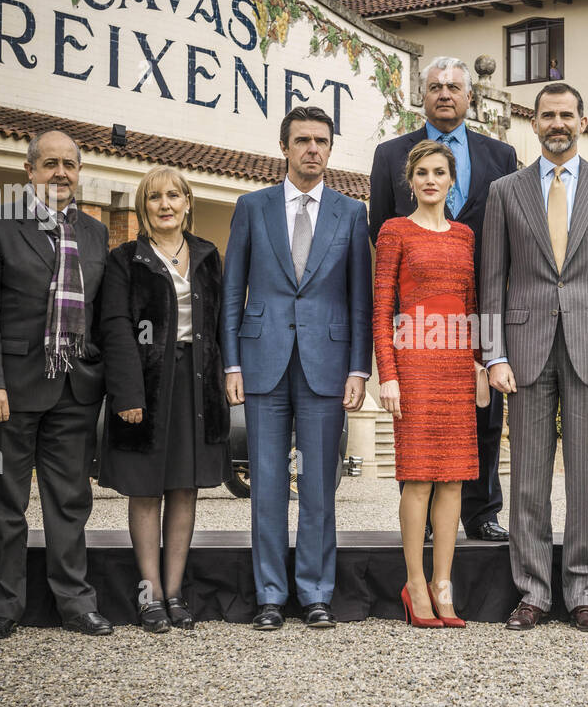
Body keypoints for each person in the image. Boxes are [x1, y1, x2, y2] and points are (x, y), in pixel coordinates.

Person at [480, 82, 588, 633]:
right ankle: (531, 592)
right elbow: (491, 284)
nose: (557, 124)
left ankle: (586, 594)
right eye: (547, 115)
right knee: (526, 478)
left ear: (582, 122)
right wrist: (492, 355)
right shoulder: (506, 191)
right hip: (523, 353)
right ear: (535, 123)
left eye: (567, 115)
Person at [223, 106, 372, 631]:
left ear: (331, 148)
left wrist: (359, 368)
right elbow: (231, 292)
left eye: (322, 140)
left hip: (327, 368)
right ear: (284, 147)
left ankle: (314, 594)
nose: (313, 148)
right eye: (302, 140)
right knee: (265, 484)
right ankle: (268, 594)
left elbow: (361, 300)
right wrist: (232, 363)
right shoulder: (252, 207)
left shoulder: (352, 214)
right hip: (261, 363)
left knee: (316, 487)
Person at [0, 129, 112, 640]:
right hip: (11, 391)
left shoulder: (95, 234)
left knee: (70, 500)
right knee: (4, 501)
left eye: (69, 164)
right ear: (29, 170)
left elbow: (100, 315)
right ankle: (2, 604)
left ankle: (75, 602)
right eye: (50, 164)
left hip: (73, 391)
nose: (61, 173)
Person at [369, 56, 517, 543]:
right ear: (423, 95)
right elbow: (380, 230)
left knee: (484, 414)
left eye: (455, 86)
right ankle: (428, 525)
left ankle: (482, 512)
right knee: (421, 428)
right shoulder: (392, 155)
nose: (445, 94)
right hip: (419, 317)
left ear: (470, 97)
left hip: (481, 298)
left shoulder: (501, 155)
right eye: (435, 87)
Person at [99, 166, 229, 633]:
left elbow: (221, 324)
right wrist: (129, 392)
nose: (166, 204)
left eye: (174, 195)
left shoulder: (209, 255)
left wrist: (228, 374)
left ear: (188, 202)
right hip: (148, 386)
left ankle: (175, 593)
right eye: (155, 197)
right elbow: (114, 327)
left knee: (185, 487)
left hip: (198, 384)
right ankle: (149, 594)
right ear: (143, 207)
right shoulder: (126, 259)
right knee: (146, 488)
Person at [373, 140, 478, 628]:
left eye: (440, 172)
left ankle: (444, 584)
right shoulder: (394, 231)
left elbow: (472, 307)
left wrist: (478, 363)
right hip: (413, 365)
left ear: (451, 180)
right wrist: (388, 375)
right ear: (410, 181)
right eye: (422, 173)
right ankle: (415, 583)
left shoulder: (465, 237)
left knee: (453, 479)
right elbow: (381, 311)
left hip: (456, 366)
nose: (431, 180)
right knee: (416, 479)